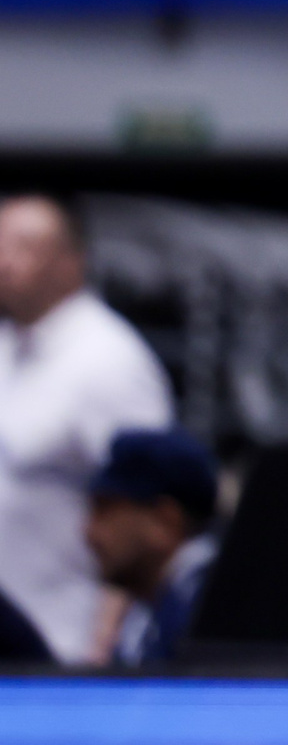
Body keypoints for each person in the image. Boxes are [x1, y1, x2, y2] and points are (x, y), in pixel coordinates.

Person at [0, 194, 174, 663]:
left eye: (23, 246)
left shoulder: (109, 359)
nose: (4, 261)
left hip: (64, 647)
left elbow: (149, 511)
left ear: (70, 262)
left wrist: (104, 643)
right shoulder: (7, 346)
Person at [84, 429, 221, 666]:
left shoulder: (208, 607)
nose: (89, 532)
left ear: (165, 521)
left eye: (105, 510)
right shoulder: (149, 610)